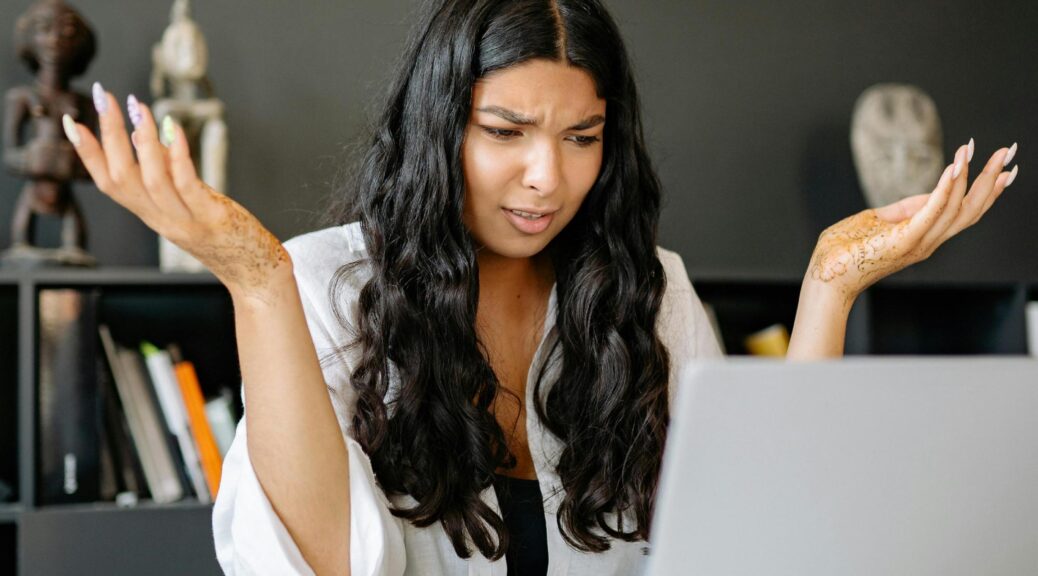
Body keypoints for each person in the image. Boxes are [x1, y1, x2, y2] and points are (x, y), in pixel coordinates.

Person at [61, 1, 1019, 574]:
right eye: (506, 131)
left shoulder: (651, 292)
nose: (545, 179)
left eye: (581, 138)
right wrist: (257, 282)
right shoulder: (323, 281)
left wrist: (828, 290)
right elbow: (322, 564)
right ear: (442, 126)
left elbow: (759, 549)